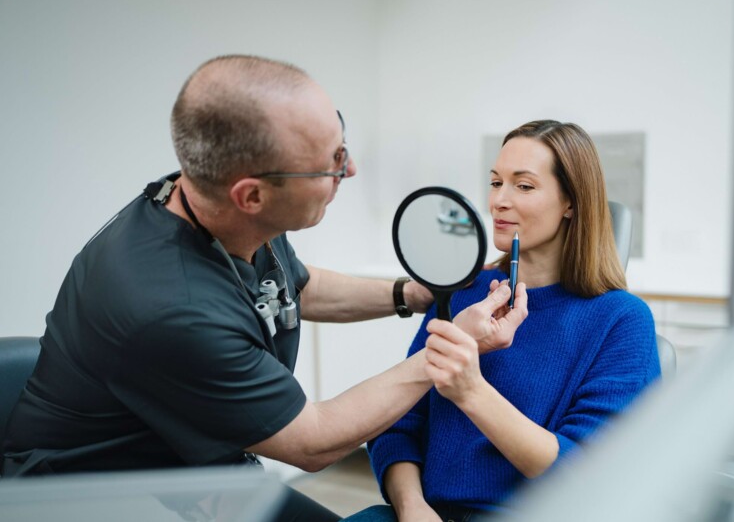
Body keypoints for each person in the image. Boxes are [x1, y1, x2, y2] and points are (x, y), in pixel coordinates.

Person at [0, 55, 528, 520]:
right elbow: (313, 441)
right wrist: (451, 352)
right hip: (98, 499)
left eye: (341, 143)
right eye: (332, 165)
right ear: (251, 195)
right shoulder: (169, 308)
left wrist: (406, 295)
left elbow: (296, 287)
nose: (350, 168)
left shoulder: (210, 201)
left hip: (198, 473)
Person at [351, 120, 661, 521]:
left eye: (524, 186)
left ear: (571, 202)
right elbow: (396, 425)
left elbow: (586, 472)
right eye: (496, 182)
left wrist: (471, 391)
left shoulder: (621, 320)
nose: (499, 200)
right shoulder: (462, 291)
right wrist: (412, 507)